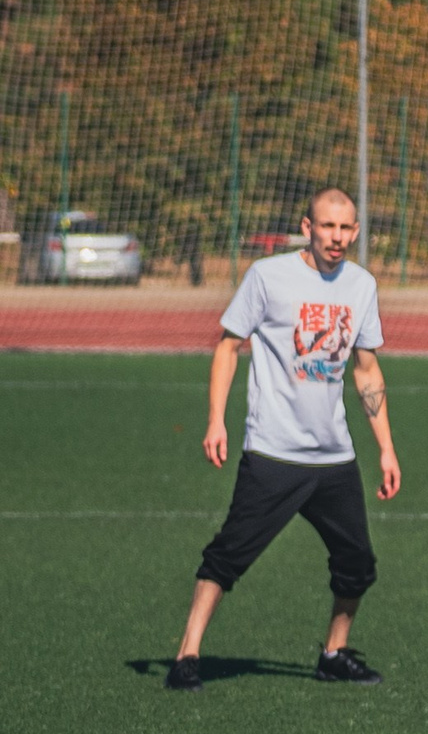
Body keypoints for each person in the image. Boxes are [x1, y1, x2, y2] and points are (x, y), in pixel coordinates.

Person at [167, 188, 401, 691]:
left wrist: (385, 446)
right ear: (307, 227)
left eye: (345, 229)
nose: (336, 238)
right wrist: (216, 420)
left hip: (335, 458)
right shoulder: (268, 277)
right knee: (228, 555)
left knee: (357, 564)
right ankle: (187, 655)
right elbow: (229, 347)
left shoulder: (362, 286)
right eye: (327, 227)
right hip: (273, 452)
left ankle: (334, 653)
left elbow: (366, 370)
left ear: (356, 232)